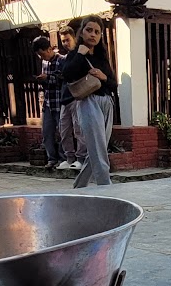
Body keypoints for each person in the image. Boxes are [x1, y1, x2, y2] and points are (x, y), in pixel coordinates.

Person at [60, 17, 117, 190]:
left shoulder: (102, 57)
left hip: (106, 102)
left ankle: (79, 187)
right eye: (89, 30)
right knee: (98, 149)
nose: (93, 34)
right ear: (82, 32)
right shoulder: (75, 54)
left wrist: (103, 76)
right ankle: (106, 186)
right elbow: (67, 75)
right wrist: (80, 54)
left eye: (97, 32)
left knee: (98, 148)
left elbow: (113, 84)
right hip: (88, 101)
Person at [33, 33, 67, 169]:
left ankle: (64, 158)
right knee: (47, 132)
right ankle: (51, 158)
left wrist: (47, 78)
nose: (42, 57)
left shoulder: (62, 60)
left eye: (43, 54)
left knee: (63, 132)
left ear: (49, 49)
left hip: (60, 102)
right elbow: (47, 82)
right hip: (48, 102)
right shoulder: (44, 62)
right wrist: (43, 80)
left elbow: (63, 79)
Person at [57, 25, 87, 172]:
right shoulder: (66, 57)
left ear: (73, 38)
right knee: (64, 130)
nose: (65, 43)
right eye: (63, 41)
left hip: (76, 96)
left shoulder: (79, 54)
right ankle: (69, 158)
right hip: (65, 98)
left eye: (67, 40)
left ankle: (80, 158)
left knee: (78, 129)